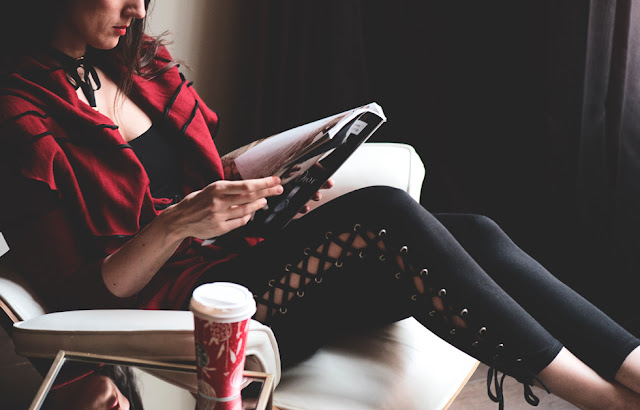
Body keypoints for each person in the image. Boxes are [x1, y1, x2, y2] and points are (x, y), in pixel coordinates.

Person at [1, 1, 640, 409]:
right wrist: (176, 224)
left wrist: (282, 183)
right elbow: (78, 297)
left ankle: (633, 370)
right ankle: (605, 401)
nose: (137, 9)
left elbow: (199, 177)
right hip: (190, 312)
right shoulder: (19, 116)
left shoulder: (136, 65)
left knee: (474, 230)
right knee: (385, 212)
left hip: (236, 259)